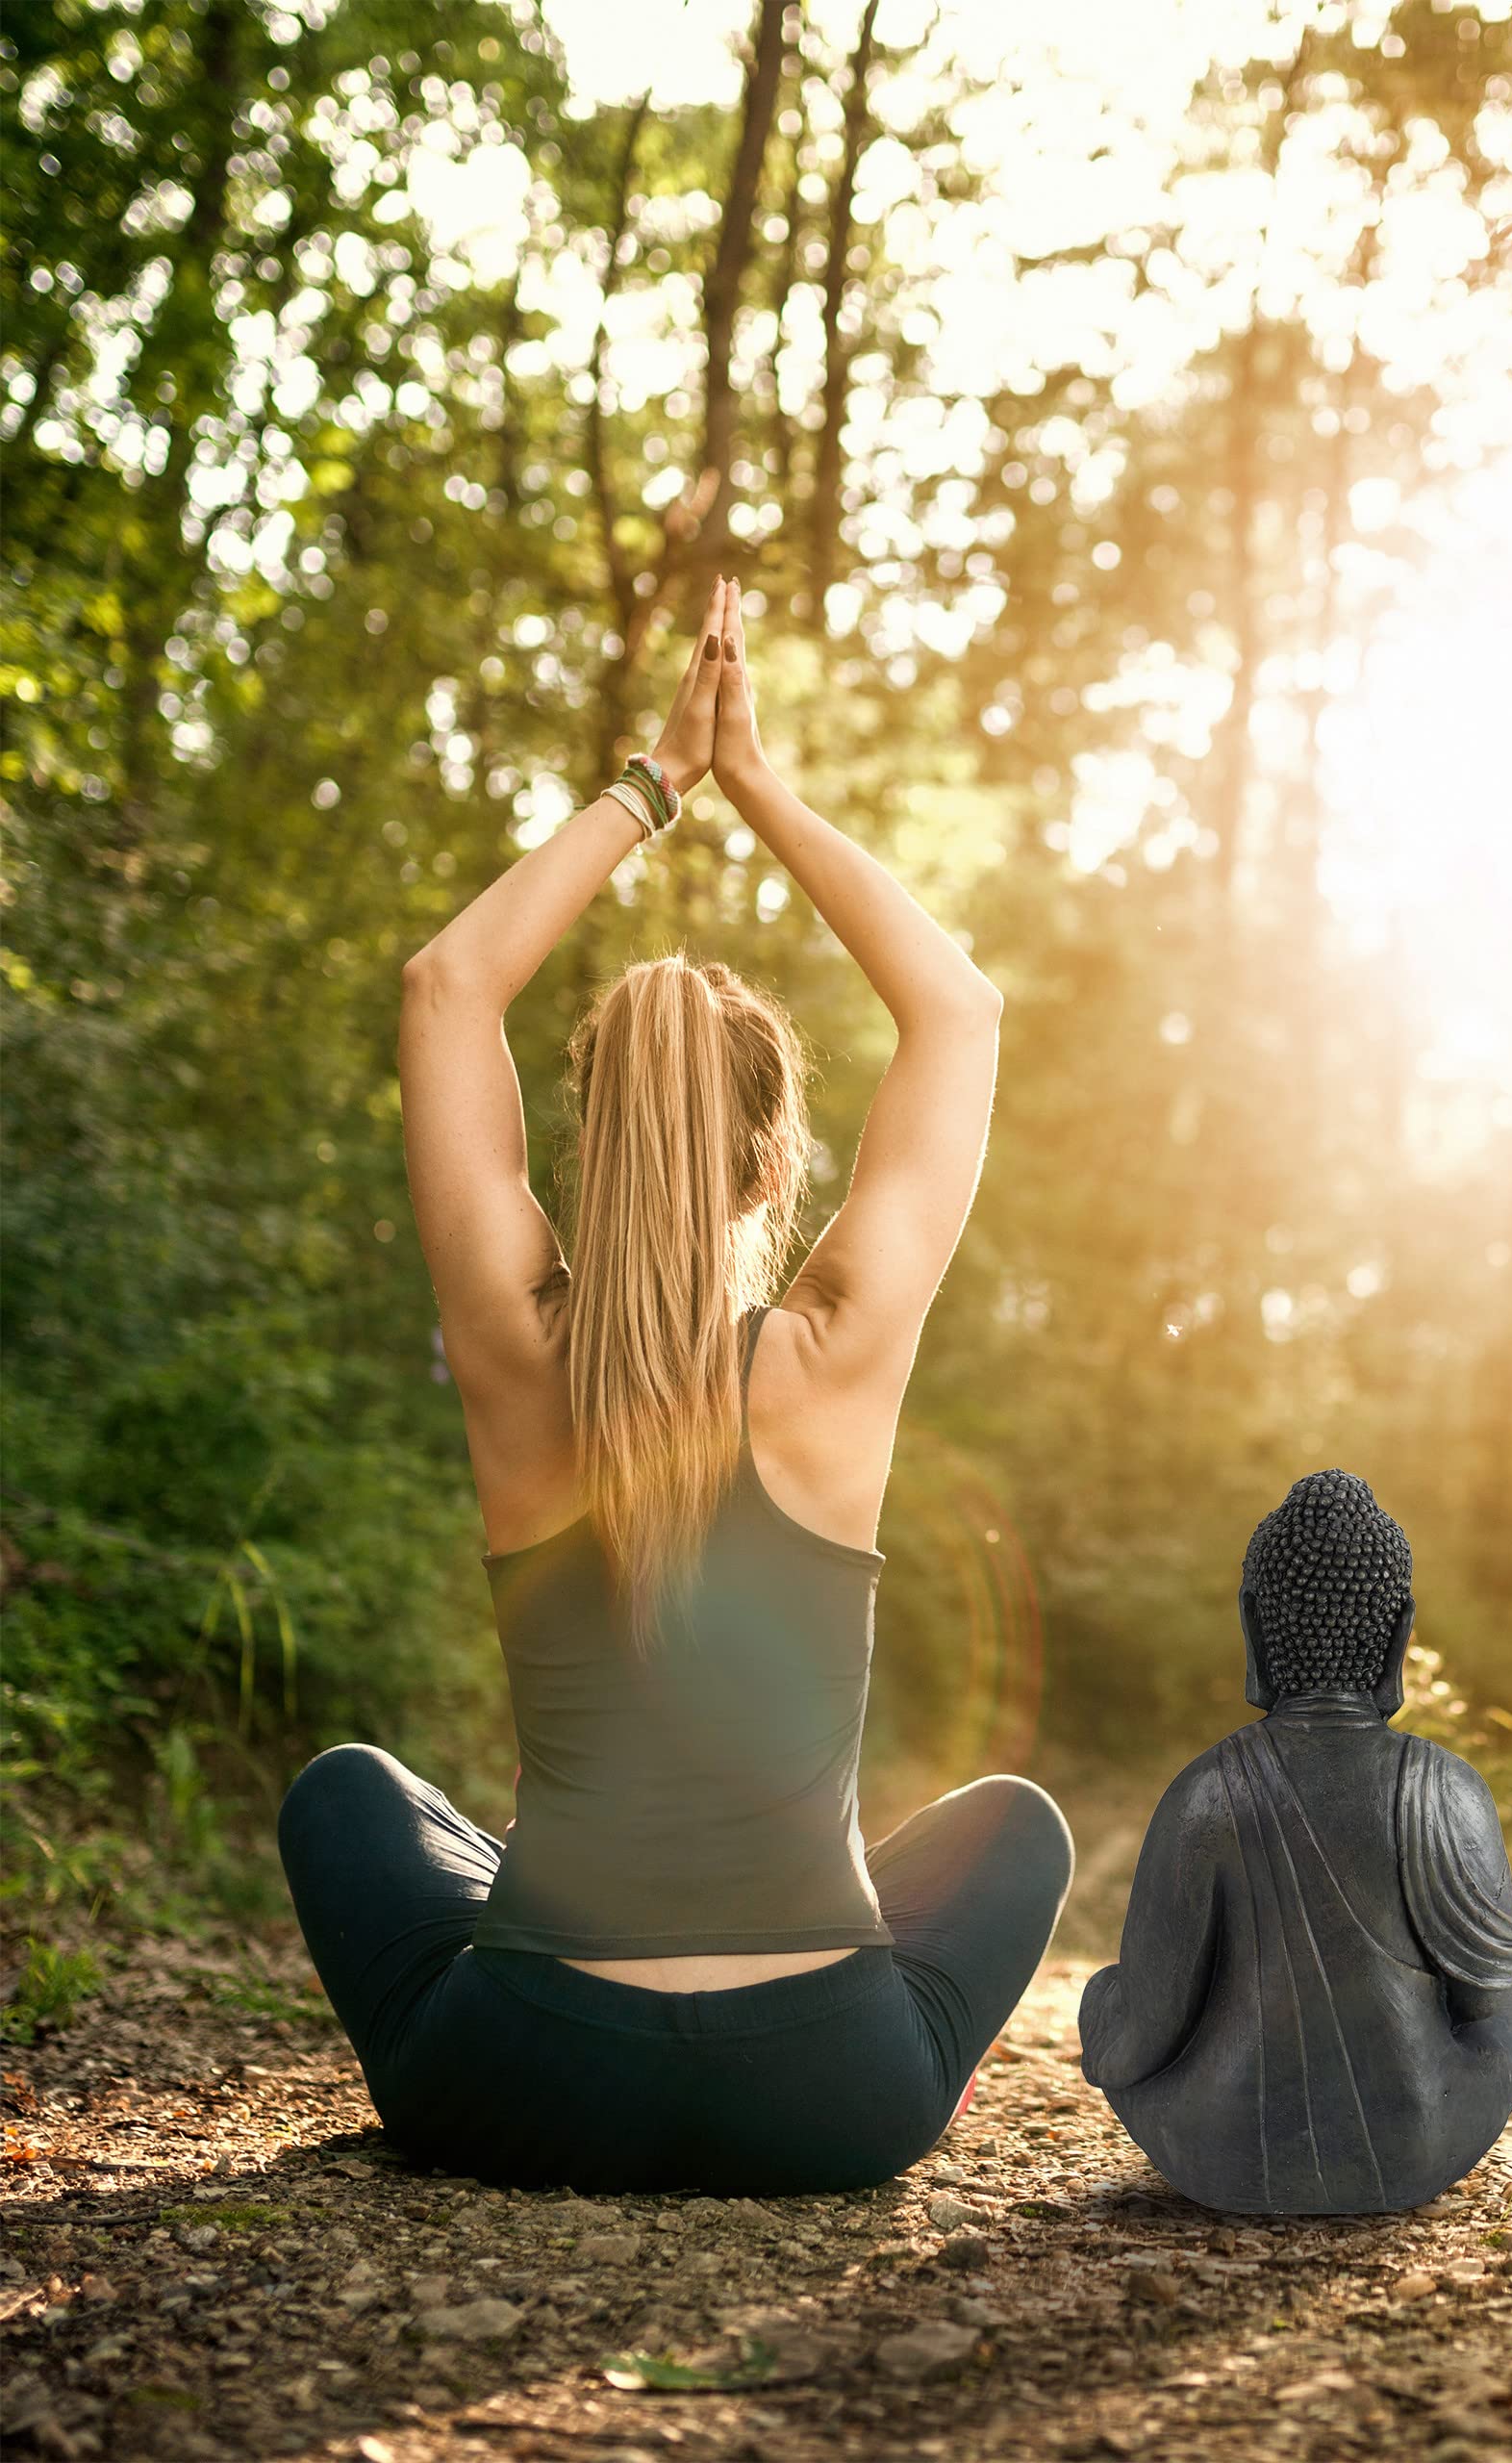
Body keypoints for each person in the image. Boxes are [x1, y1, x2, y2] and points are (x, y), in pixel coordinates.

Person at [278, 579, 1071, 2195]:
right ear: (774, 1160)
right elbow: (960, 1012)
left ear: (583, 1146)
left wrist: (653, 786)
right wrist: (761, 791)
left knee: (351, 1797)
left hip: (523, 2085)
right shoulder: (832, 1352)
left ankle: (555, 1920)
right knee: (1018, 1825)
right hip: (831, 2098)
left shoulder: (519, 1352)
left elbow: (445, 988)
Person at [1077, 1470, 1512, 2214]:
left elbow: (1144, 2033)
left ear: (1254, 1628)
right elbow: (1488, 2008)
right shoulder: (1445, 1789)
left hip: (1220, 2154)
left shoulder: (1204, 1793)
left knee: (1106, 1990)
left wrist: (1099, 2019)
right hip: (1416, 2148)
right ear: (1399, 1634)